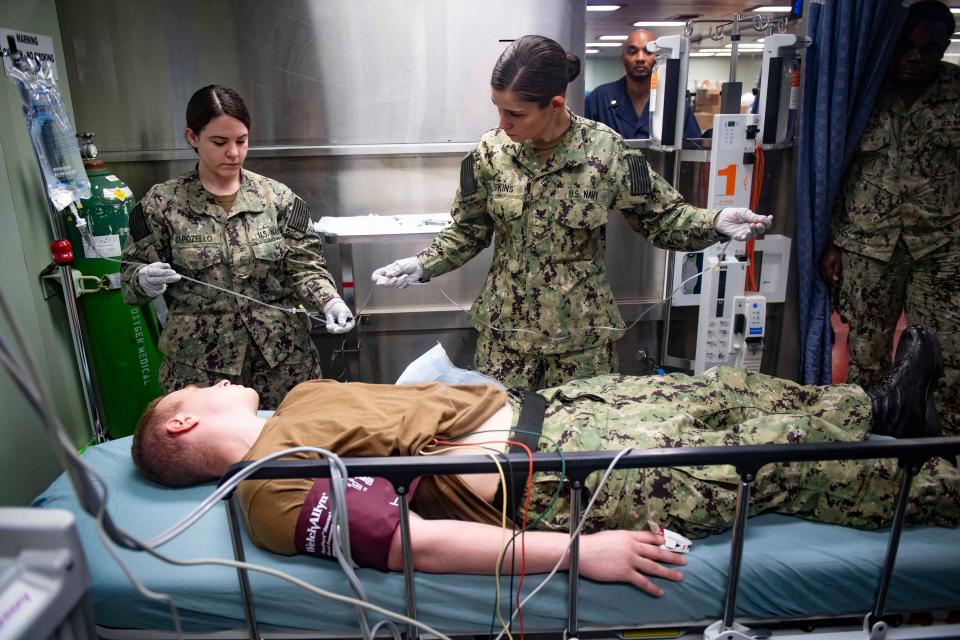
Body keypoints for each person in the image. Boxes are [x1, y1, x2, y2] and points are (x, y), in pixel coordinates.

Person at [131, 325, 958, 596]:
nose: (217, 375)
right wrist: (581, 555)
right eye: (197, 385)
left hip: (554, 410)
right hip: (567, 477)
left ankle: (883, 408)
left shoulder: (302, 402)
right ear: (182, 426)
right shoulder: (272, 492)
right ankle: (940, 482)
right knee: (768, 462)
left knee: (724, 399)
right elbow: (410, 542)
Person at [371, 35, 769, 389]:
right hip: (505, 339)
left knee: (582, 450)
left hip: (582, 344)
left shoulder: (606, 152)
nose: (502, 123)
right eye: (498, 109)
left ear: (555, 104)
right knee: (502, 447)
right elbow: (468, 230)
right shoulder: (489, 154)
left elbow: (663, 218)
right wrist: (422, 265)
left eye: (515, 114)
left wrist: (713, 221)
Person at [120, 85, 355, 408]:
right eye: (220, 142)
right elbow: (130, 280)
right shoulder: (162, 205)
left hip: (283, 363)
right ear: (192, 137)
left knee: (292, 450)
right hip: (201, 372)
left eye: (241, 141)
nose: (234, 152)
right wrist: (144, 278)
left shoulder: (277, 198)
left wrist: (330, 302)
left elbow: (305, 268)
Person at [819, 1, 959, 436]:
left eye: (930, 48)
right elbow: (834, 172)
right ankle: (868, 451)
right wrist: (832, 239)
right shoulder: (862, 92)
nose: (916, 56)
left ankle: (942, 458)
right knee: (866, 358)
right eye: (908, 45)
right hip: (866, 245)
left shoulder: (957, 93)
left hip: (942, 247)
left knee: (947, 358)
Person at [584, 29, 702, 140]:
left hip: (660, 162)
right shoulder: (599, 99)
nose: (640, 58)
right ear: (623, 59)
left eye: (648, 51)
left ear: (657, 58)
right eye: (632, 52)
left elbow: (693, 150)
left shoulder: (673, 102)